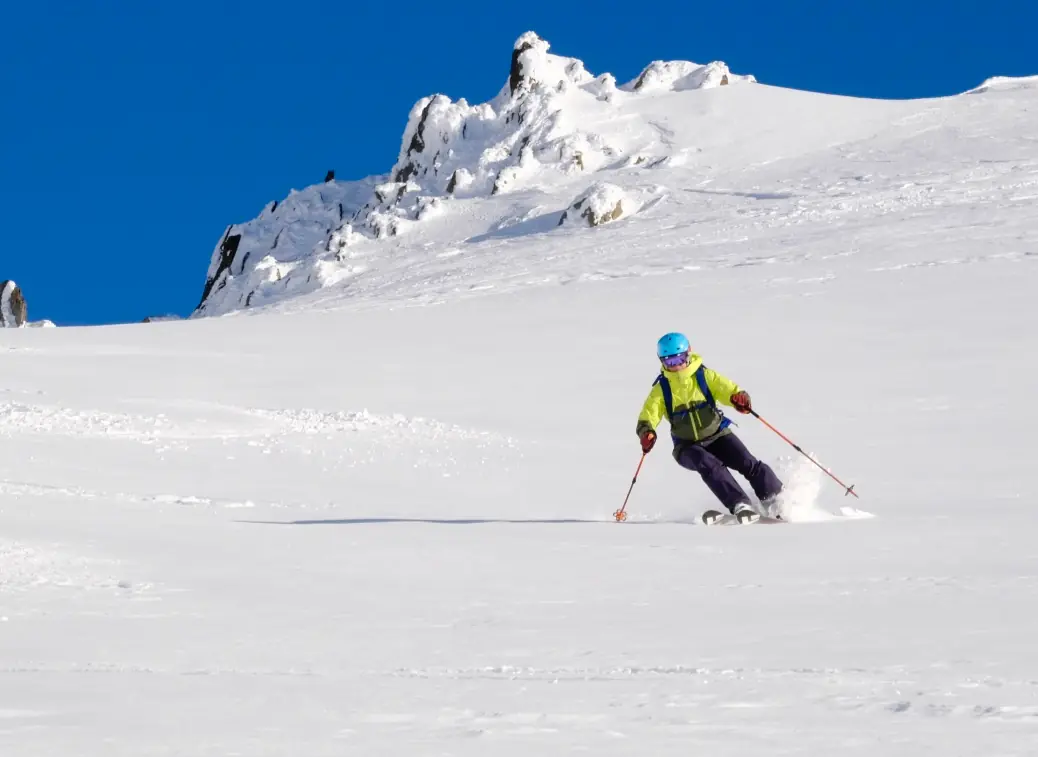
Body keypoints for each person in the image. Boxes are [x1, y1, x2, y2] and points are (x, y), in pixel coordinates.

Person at [636, 332, 783, 523]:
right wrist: (646, 432)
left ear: (688, 353)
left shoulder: (704, 376)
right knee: (709, 465)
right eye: (669, 362)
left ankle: (776, 500)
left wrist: (739, 399)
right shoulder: (661, 389)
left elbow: (727, 389)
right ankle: (740, 504)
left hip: (718, 435)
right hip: (687, 446)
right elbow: (648, 415)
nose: (676, 366)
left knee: (747, 462)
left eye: (679, 359)